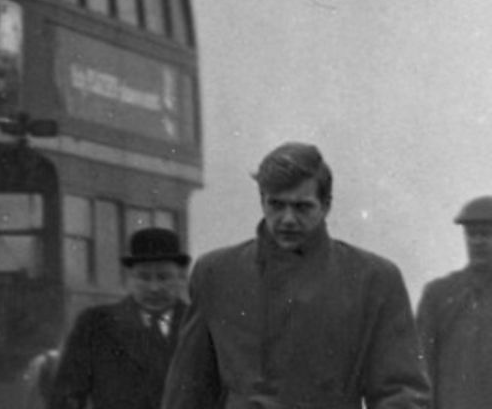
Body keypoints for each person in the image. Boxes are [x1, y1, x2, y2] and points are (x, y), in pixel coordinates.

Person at [162, 141, 428, 409]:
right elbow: (188, 388)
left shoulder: (373, 279)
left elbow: (401, 391)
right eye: (276, 205)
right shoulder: (216, 273)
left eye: (302, 207)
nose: (287, 219)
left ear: (326, 206)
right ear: (261, 200)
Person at [47, 227, 190, 409]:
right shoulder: (95, 324)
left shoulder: (200, 325)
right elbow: (67, 396)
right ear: (129, 278)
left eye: (163, 277)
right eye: (144, 277)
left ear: (181, 277)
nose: (154, 287)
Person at [415, 195, 492, 408]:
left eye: (486, 233)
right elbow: (420, 372)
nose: (477, 241)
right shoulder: (438, 295)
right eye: (471, 234)